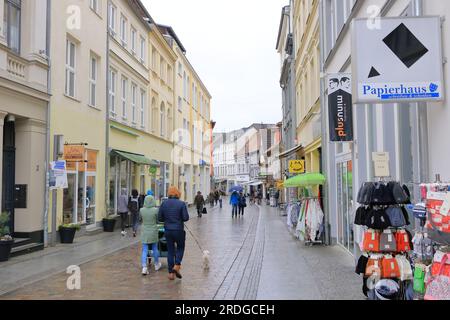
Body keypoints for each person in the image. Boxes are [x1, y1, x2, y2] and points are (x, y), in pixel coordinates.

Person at [158, 186, 189, 281]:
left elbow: (160, 218)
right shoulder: (181, 204)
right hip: (178, 230)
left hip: (168, 230)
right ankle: (177, 265)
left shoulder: (164, 204)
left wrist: (168, 219)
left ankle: (171, 273)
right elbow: (185, 218)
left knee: (170, 251)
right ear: (177, 194)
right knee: (180, 247)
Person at [139, 195, 162, 275]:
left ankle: (144, 267)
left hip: (145, 231)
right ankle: (156, 264)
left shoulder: (141, 210)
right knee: (155, 248)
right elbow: (158, 220)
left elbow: (140, 219)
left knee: (145, 249)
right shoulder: (156, 210)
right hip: (153, 231)